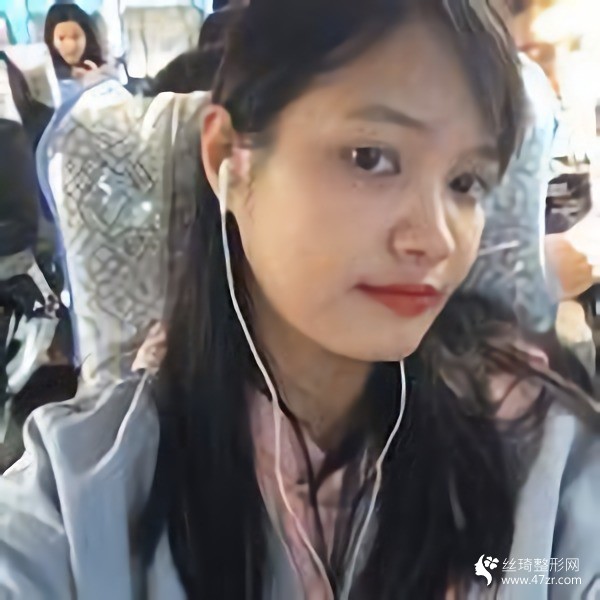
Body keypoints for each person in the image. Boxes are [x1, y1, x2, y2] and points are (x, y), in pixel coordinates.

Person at [1, 1, 599, 599]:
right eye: (371, 157)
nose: (437, 239)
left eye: (465, 182)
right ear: (228, 160)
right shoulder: (80, 500)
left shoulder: (540, 458)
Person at [43, 3, 106, 102]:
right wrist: (70, 72)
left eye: (75, 37)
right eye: (61, 38)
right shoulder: (47, 73)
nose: (70, 46)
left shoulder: (102, 67)